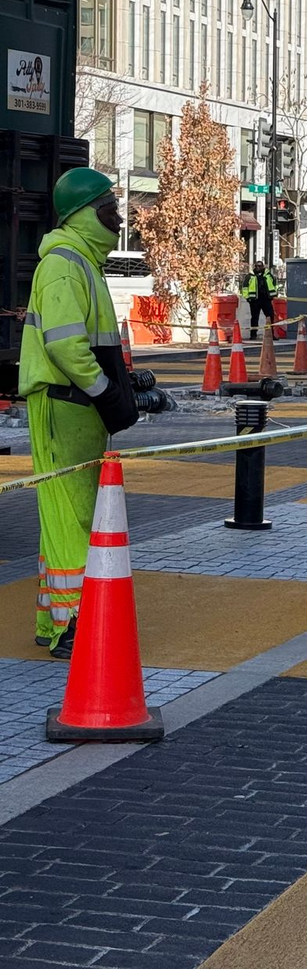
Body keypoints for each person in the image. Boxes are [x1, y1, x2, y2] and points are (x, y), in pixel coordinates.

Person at [20, 167, 139, 659]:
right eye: (108, 209)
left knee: (69, 510)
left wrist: (113, 390)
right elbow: (67, 346)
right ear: (83, 214)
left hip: (76, 407)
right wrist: (107, 391)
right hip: (66, 403)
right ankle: (74, 625)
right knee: (71, 513)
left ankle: (55, 619)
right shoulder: (66, 264)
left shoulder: (82, 262)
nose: (117, 218)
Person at [239, 259, 278, 340]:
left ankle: (271, 334)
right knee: (254, 318)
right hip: (254, 300)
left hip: (266, 299)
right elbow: (244, 288)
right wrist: (248, 298)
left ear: (263, 267)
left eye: (259, 266)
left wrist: (272, 295)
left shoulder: (268, 275)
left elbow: (275, 285)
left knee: (270, 316)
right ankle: (253, 335)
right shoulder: (250, 276)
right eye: (256, 266)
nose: (257, 267)